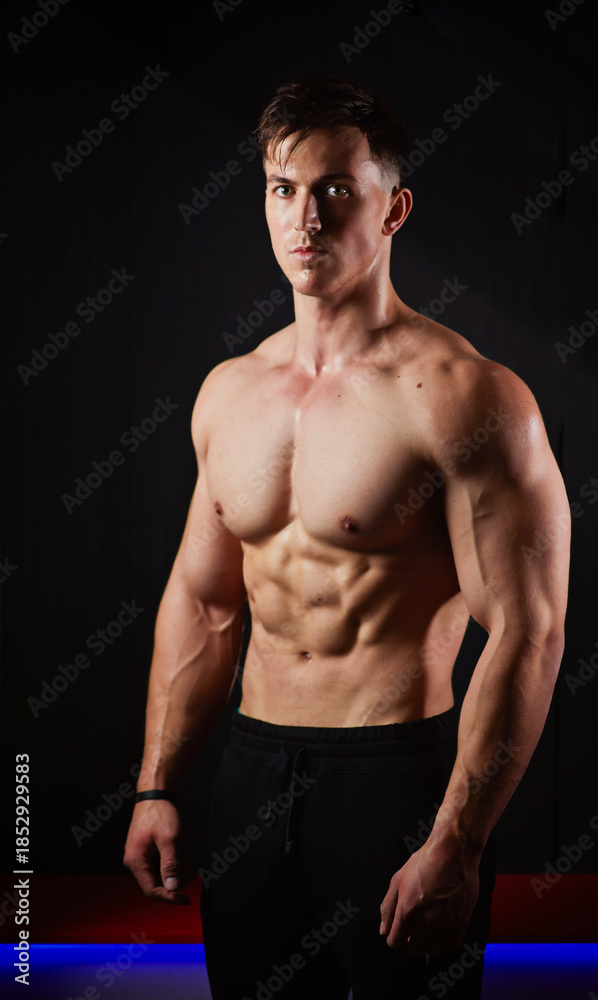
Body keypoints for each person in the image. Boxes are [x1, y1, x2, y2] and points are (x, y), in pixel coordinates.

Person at [123, 76, 570, 999]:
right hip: (249, 774)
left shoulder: (467, 396)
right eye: (284, 189)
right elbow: (203, 602)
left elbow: (527, 629)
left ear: (393, 207)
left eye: (336, 190)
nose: (306, 217)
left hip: (395, 783)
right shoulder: (228, 392)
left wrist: (457, 839)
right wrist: (156, 785)